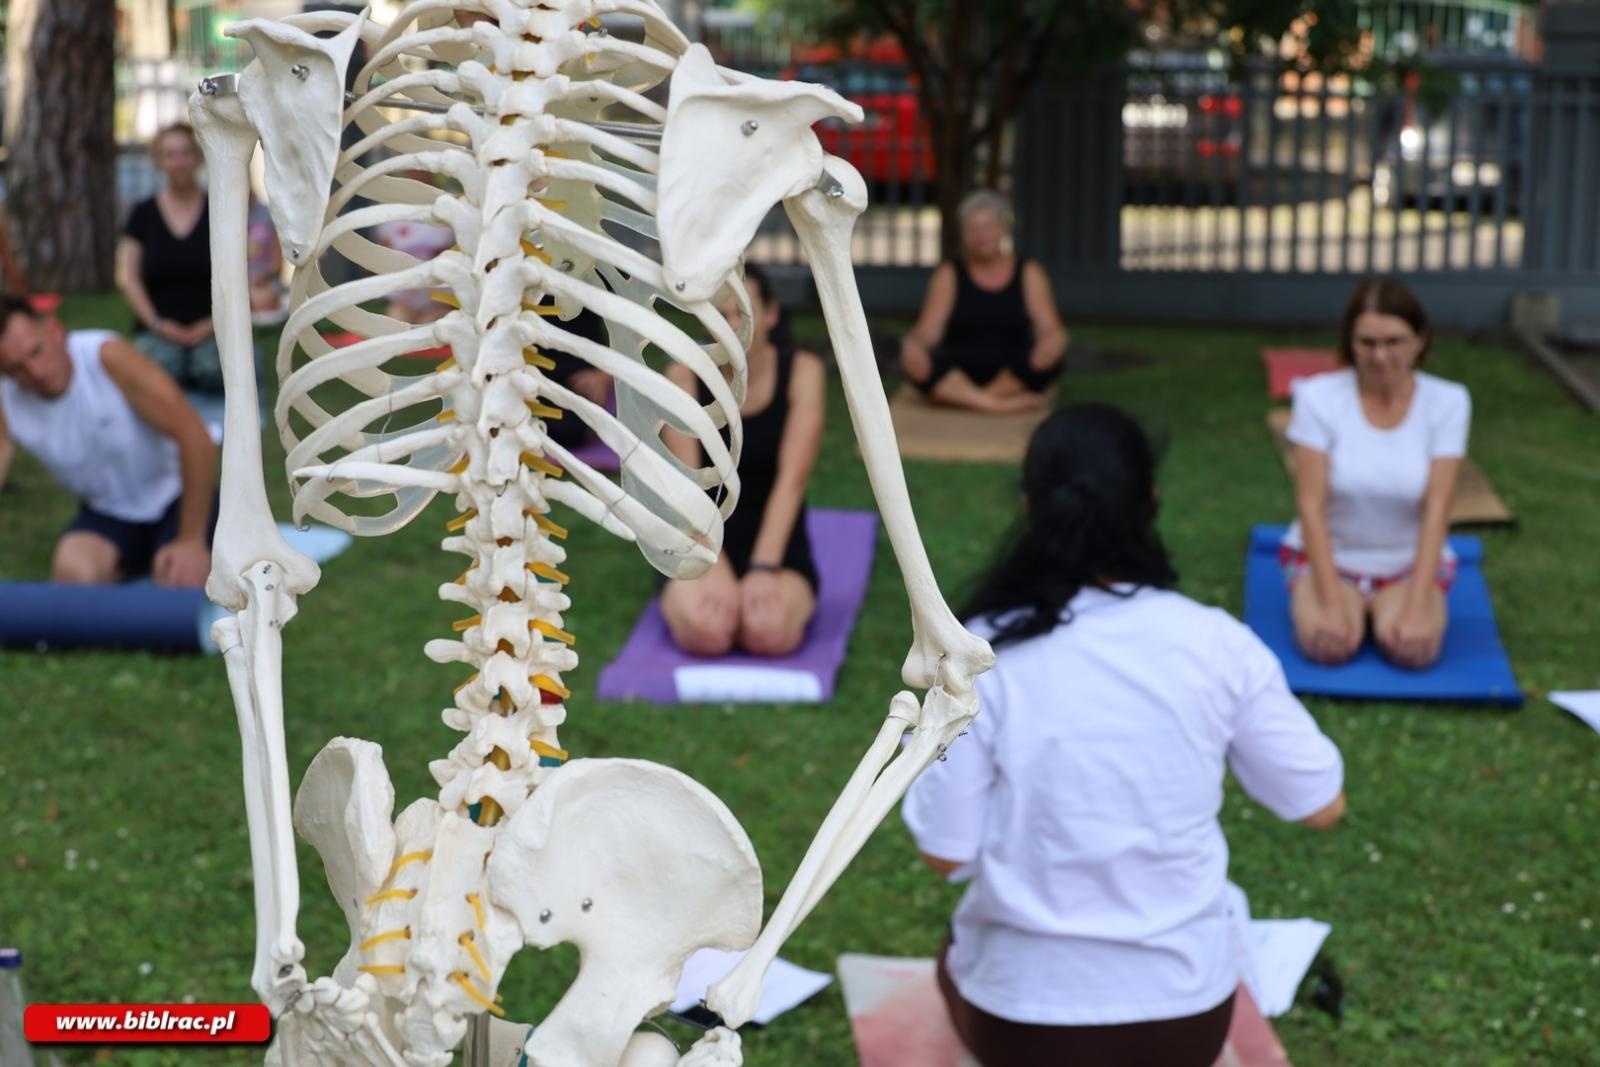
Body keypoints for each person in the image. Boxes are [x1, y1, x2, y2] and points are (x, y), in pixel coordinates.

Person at [902, 404, 1346, 1067]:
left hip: (1024, 1021)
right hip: (1184, 1020)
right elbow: (1320, 803)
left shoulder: (984, 654)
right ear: (1151, 504)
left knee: (954, 955)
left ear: (1029, 504)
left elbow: (945, 851)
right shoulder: (1218, 644)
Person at [1282, 278, 1470, 670]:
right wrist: (1332, 603)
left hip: (1405, 563)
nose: (1380, 356)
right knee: (1329, 645)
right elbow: (1310, 506)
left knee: (1412, 650)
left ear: (1420, 340)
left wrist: (1418, 605)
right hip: (1330, 559)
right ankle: (1346, 605)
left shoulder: (1449, 402)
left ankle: (1389, 606)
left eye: (1394, 342)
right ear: (1350, 344)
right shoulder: (1318, 397)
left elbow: (1438, 509)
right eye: (1367, 343)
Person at [660, 264, 825, 658]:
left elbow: (793, 480)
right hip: (698, 540)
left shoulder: (803, 372)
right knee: (708, 634)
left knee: (768, 635)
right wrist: (712, 565)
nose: (730, 327)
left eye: (742, 315)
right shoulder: (682, 378)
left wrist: (763, 569)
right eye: (720, 315)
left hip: (778, 544)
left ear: (771, 314)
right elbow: (690, 490)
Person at [0, 295, 216, 588]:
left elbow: (195, 435)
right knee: (73, 573)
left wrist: (191, 540)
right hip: (109, 511)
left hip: (175, 496)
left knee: (179, 580)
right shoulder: (7, 400)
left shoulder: (106, 357)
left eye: (36, 352)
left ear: (54, 330)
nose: (35, 372)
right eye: (17, 368)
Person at [900, 191, 1068, 414]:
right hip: (958, 369)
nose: (981, 235)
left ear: (1004, 229)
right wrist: (915, 345)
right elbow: (928, 330)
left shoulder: (1029, 272)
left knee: (1052, 352)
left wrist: (1052, 340)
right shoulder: (949, 274)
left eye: (988, 227)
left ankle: (965, 399)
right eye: (973, 229)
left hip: (1013, 369)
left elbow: (1049, 327)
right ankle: (996, 405)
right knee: (914, 358)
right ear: (963, 235)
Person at [117, 123, 220, 392]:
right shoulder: (142, 214)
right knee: (156, 373)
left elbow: (240, 274)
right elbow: (129, 277)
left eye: (185, 153)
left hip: (211, 328)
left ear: (198, 157)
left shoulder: (220, 210)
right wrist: (158, 324)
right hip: (157, 328)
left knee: (212, 371)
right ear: (159, 161)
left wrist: (211, 325)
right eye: (170, 154)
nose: (178, 162)